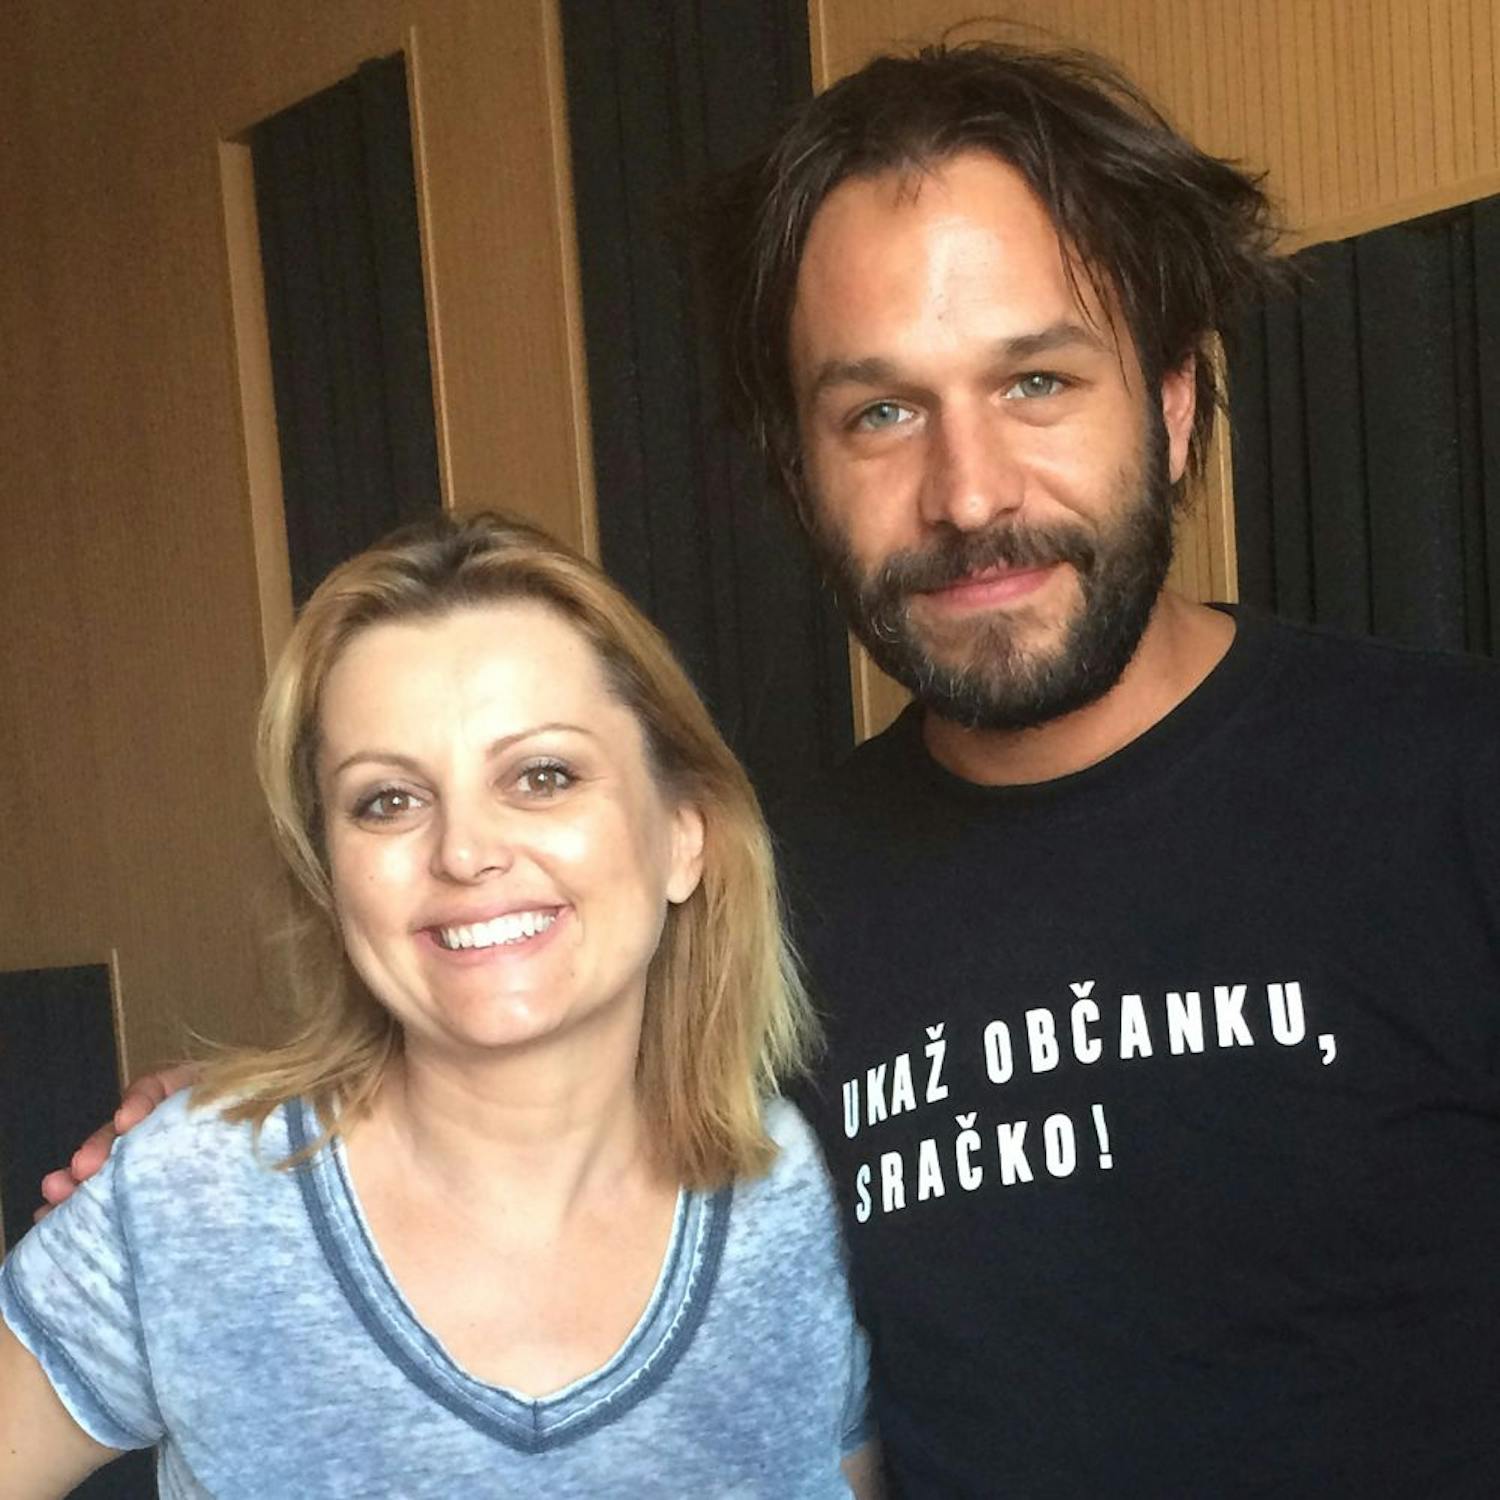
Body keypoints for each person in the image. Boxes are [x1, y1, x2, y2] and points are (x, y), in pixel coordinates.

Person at [41, 36, 1500, 1499]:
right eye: (881, 413)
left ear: (1173, 406)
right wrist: (213, 1160)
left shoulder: (1452, 781)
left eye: (1038, 381)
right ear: (798, 473)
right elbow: (487, 1096)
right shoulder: (737, 913)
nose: (969, 492)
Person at [3, 514, 878, 1498]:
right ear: (331, 875)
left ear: (684, 837)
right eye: (387, 799)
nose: (464, 852)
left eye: (542, 776)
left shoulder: (786, 1189)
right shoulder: (193, 1191)